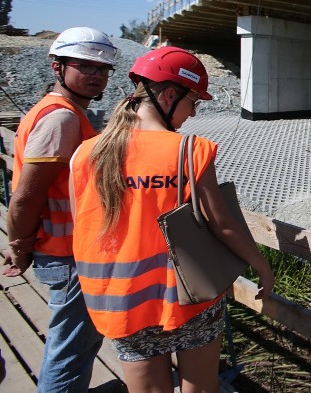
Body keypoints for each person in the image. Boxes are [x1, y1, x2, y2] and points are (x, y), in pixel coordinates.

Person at [69, 46, 274, 393]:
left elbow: (83, 221)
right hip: (186, 296)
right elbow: (221, 224)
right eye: (192, 103)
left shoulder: (87, 151)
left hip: (120, 300)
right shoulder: (189, 149)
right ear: (167, 95)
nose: (192, 114)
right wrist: (261, 266)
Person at [4, 26, 119, 393]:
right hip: (67, 255)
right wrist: (19, 245)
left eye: (102, 69)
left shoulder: (62, 112)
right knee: (70, 354)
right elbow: (25, 195)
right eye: (85, 67)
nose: (96, 75)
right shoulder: (62, 119)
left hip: (67, 251)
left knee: (76, 347)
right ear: (57, 67)